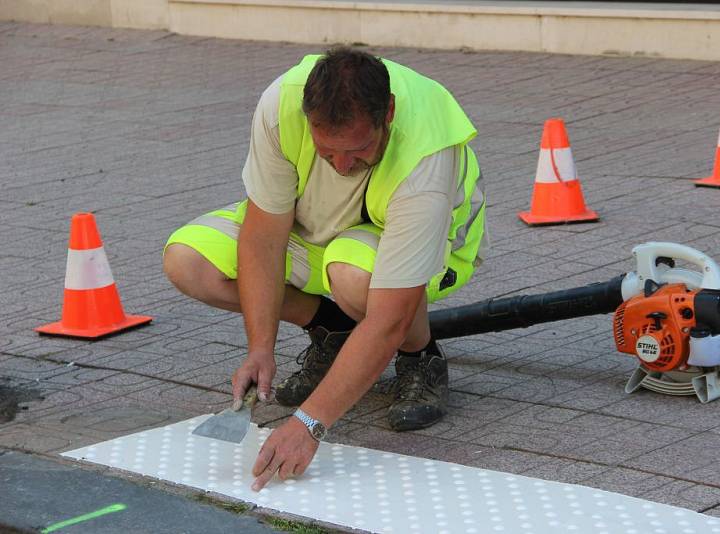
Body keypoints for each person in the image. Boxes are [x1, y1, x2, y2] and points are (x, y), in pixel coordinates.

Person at [162, 47, 486, 490]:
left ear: (387, 112)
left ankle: (421, 358)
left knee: (356, 280)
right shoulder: (281, 106)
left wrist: (309, 425)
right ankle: (334, 331)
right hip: (317, 229)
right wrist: (260, 346)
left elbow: (391, 314)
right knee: (189, 262)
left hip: (400, 246)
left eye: (357, 150)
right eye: (327, 151)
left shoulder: (427, 149)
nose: (342, 165)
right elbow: (263, 238)